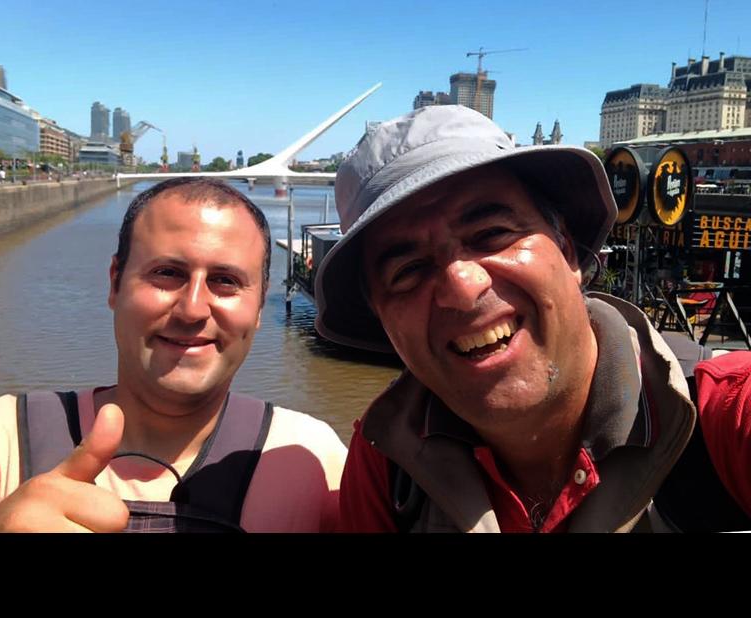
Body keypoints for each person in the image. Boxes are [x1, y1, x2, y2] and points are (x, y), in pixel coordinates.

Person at [314, 105, 751, 532]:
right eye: (408, 270)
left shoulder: (726, 419)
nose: (463, 288)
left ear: (567, 251)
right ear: (384, 321)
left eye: (492, 234)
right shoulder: (387, 466)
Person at [0, 176, 347, 533]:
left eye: (225, 281)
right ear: (115, 283)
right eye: (167, 273)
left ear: (259, 307)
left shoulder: (314, 460)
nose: (192, 309)